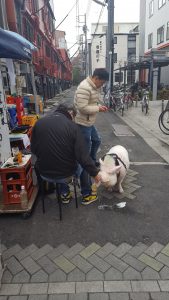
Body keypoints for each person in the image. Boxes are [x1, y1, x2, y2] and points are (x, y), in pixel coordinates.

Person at [31, 103, 100, 205]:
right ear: (71, 113)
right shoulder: (73, 127)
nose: (73, 120)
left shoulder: (39, 123)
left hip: (44, 174)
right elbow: (83, 157)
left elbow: (34, 149)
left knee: (58, 159)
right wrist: (95, 173)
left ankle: (64, 194)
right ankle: (87, 194)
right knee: (83, 163)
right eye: (74, 117)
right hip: (65, 175)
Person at [74, 68, 109, 203]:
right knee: (84, 158)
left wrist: (99, 106)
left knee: (97, 140)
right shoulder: (85, 87)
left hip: (89, 122)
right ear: (97, 78)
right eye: (103, 82)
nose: (103, 85)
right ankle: (86, 192)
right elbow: (82, 107)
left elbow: (92, 103)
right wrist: (98, 108)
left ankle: (91, 160)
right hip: (83, 124)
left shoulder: (93, 87)